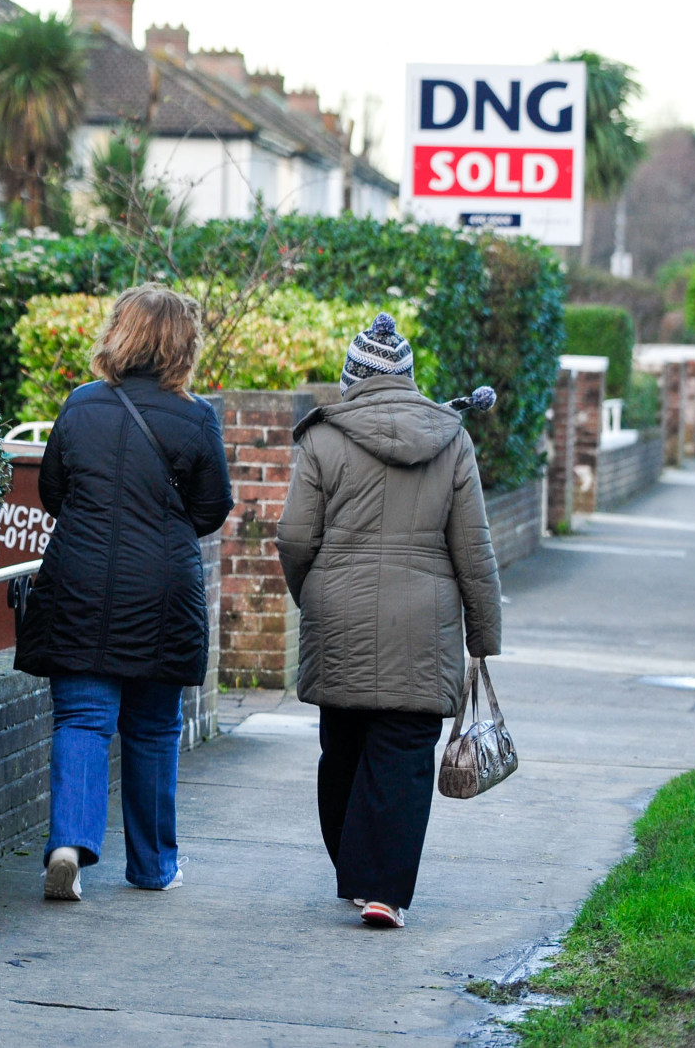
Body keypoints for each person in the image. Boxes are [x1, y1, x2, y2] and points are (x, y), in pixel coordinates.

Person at [276, 313, 502, 930]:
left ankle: (355, 874)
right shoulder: (452, 438)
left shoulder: (322, 438)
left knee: (342, 750)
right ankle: (385, 892)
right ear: (406, 378)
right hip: (424, 630)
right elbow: (473, 549)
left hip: (338, 617)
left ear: (352, 379)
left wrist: (312, 595)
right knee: (404, 758)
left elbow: (295, 537)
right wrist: (483, 636)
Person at [14, 285, 234, 901]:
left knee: (82, 719)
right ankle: (153, 867)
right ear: (182, 346)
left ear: (120, 332)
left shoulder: (80, 406)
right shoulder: (196, 417)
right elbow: (211, 508)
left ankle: (69, 846)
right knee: (154, 729)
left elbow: (53, 492)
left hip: (78, 582)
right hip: (162, 592)